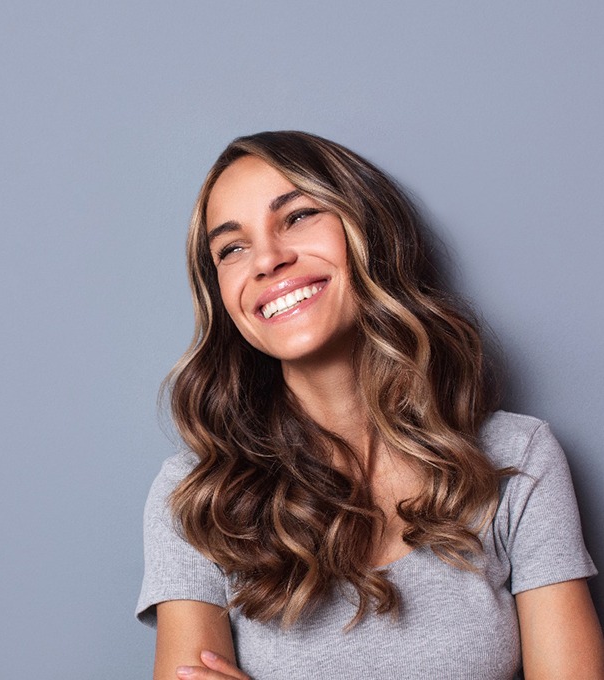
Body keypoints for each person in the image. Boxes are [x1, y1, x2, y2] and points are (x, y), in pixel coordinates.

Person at [137, 131, 604, 679]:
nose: (266, 258)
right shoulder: (198, 496)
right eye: (231, 248)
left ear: (368, 232)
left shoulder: (518, 460)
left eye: (298, 216)